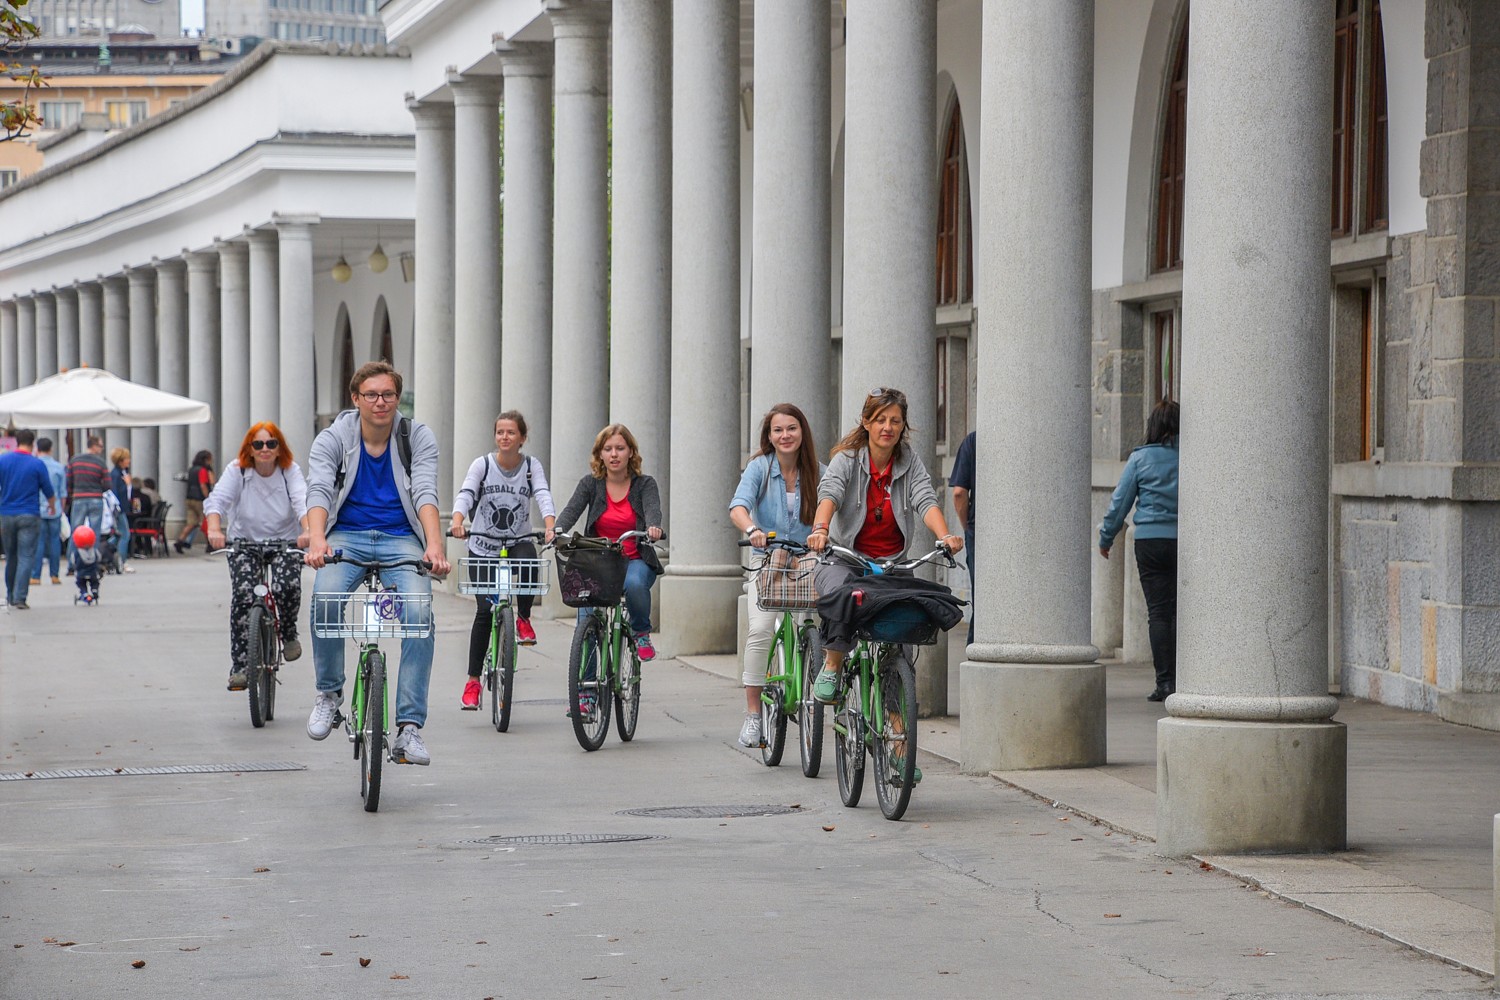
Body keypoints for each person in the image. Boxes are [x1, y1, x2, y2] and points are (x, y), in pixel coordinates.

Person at [304, 361, 450, 766]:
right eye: (371, 395)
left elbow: (424, 490)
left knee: (420, 612)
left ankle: (409, 728)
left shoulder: (415, 436)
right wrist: (317, 540)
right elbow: (318, 489)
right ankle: (329, 695)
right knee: (327, 597)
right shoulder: (333, 438)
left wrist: (434, 547)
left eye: (388, 394)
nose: (381, 402)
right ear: (356, 398)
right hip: (345, 536)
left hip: (400, 539)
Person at [806, 387, 961, 721]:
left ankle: (896, 736)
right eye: (880, 420)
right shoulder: (847, 459)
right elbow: (829, 492)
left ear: (903, 426)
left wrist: (945, 535)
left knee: (901, 635)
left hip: (891, 564)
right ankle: (833, 665)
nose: (887, 427)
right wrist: (820, 529)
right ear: (866, 422)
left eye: (895, 421)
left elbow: (925, 498)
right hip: (846, 558)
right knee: (840, 592)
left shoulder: (909, 462)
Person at [727, 403, 822, 748]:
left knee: (811, 626)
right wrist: (752, 528)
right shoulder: (760, 469)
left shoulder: (818, 471)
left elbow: (833, 507)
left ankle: (817, 699)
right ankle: (753, 715)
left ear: (802, 432)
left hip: (807, 561)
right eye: (778, 430)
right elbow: (738, 506)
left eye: (792, 428)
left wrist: (826, 533)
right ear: (769, 436)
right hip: (767, 559)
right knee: (761, 629)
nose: (785, 435)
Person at [450, 410, 556, 710]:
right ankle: (473, 682)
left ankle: (523, 618)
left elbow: (543, 494)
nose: (505, 437)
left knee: (530, 562)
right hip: (483, 544)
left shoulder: (531, 467)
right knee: (484, 610)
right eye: (500, 432)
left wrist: (549, 525)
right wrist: (458, 520)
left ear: (522, 438)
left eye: (511, 432)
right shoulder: (482, 465)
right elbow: (466, 494)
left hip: (517, 540)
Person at [205, 422, 311, 692]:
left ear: (279, 448)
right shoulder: (238, 471)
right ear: (249, 449)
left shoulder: (289, 471)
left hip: (284, 541)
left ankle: (288, 633)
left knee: (286, 587)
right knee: (243, 597)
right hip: (245, 543)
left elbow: (302, 501)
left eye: (271, 443)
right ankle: (240, 667)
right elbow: (217, 501)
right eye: (259, 444)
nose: (265, 449)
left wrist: (308, 529)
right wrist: (215, 529)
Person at [555, 424, 664, 661]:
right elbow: (571, 510)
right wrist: (557, 530)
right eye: (608, 449)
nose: (614, 454)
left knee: (635, 584)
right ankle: (586, 689)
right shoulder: (590, 484)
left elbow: (652, 509)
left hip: (633, 558)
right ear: (600, 454)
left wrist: (654, 527)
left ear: (631, 453)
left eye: (620, 448)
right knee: (587, 621)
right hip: (597, 561)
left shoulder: (645, 484)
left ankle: (641, 633)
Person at [1098, 399, 1180, 702]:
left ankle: (1165, 683)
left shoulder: (1140, 458)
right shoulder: (1194, 456)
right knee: (1184, 613)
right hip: (1186, 542)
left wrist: (1107, 538)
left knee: (1158, 612)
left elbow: (1119, 504)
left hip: (1150, 542)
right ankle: (1188, 679)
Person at [0, 429, 57, 609]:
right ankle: (20, 597)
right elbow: (48, 490)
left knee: (11, 556)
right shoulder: (37, 464)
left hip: (7, 514)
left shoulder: (3, 460)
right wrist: (52, 506)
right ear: (33, 443)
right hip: (29, 514)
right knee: (26, 556)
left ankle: (10, 594)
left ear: (17, 441)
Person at [948, 430, 977, 644]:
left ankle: (974, 652)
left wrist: (966, 525)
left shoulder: (973, 440)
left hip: (980, 530)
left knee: (982, 598)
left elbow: (959, 492)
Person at [65, 435, 110, 562]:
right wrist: (98, 490)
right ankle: (92, 561)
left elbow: (68, 481)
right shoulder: (100, 463)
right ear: (94, 446)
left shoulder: (75, 460)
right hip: (96, 498)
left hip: (78, 498)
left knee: (76, 531)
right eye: (100, 446)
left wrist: (72, 493)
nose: (101, 449)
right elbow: (108, 484)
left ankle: (72, 563)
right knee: (94, 532)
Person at [30, 437, 66, 587]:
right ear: (51, 449)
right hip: (55, 509)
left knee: (39, 543)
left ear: (37, 449)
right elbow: (62, 492)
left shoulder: (34, 465)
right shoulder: (59, 467)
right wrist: (61, 509)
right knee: (54, 542)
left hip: (37, 509)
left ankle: (35, 576)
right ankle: (54, 575)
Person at [176, 451, 215, 553]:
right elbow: (204, 484)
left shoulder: (192, 469)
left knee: (191, 523)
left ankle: (180, 541)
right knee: (206, 522)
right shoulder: (203, 470)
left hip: (190, 498)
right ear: (206, 459)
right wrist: (208, 498)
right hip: (199, 499)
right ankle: (210, 544)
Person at [108, 447, 135, 573]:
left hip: (120, 508)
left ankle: (108, 553)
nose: (129, 461)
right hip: (118, 508)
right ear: (121, 460)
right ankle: (122, 561)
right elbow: (117, 493)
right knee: (125, 534)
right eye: (127, 459)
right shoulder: (116, 474)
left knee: (118, 534)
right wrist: (128, 485)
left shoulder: (122, 473)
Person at [69, 523, 102, 605]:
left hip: (81, 573)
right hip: (92, 573)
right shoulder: (94, 551)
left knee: (80, 583)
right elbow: (99, 558)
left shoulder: (76, 553)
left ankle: (84, 593)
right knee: (95, 582)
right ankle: (94, 590)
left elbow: (73, 561)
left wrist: (74, 568)